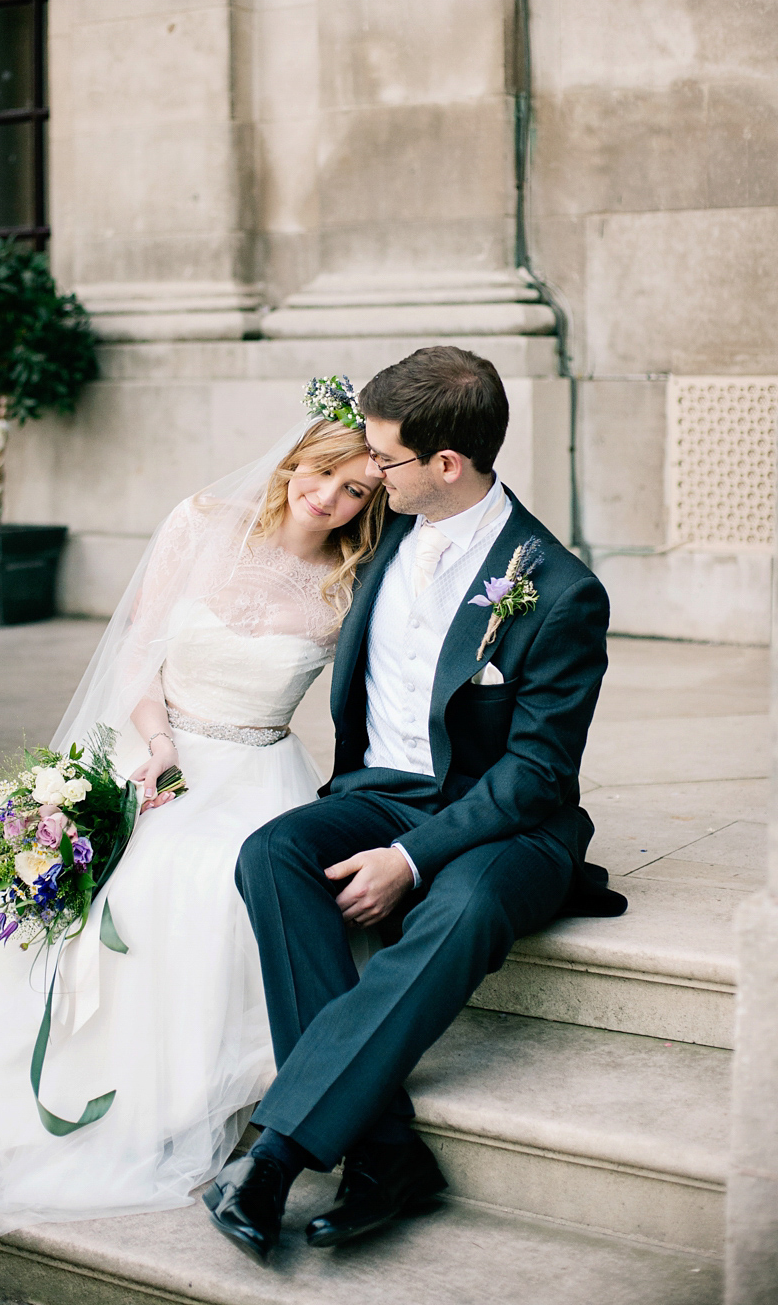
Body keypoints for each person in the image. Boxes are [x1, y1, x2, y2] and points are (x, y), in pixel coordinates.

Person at [0, 386, 384, 1237]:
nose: (329, 498)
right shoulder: (200, 523)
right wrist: (155, 745)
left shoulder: (352, 585)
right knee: (133, 874)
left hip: (262, 771)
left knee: (217, 882)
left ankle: (204, 1093)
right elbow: (136, 650)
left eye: (355, 492)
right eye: (321, 473)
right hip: (161, 750)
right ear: (294, 461)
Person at [205, 346, 627, 1264]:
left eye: (386, 460)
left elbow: (538, 775)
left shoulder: (556, 590)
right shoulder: (386, 530)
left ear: (447, 464)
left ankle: (279, 1153)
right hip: (376, 791)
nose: (369, 472)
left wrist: (411, 861)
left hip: (505, 820)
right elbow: (273, 549)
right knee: (270, 854)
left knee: (462, 901)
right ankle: (389, 1150)